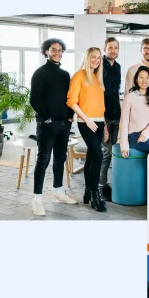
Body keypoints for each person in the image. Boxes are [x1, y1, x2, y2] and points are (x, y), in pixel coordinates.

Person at [29, 38, 77, 216]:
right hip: (46, 124)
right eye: (53, 50)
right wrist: (48, 119)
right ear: (46, 52)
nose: (57, 53)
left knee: (60, 159)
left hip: (64, 124)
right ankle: (37, 200)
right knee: (43, 160)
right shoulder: (40, 73)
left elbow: (68, 97)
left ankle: (58, 192)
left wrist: (70, 116)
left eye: (60, 50)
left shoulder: (65, 74)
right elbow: (34, 100)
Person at [67, 47, 107, 212]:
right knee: (98, 156)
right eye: (93, 57)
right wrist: (86, 119)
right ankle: (95, 195)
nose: (96, 60)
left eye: (98, 57)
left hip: (100, 122)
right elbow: (72, 102)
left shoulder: (98, 78)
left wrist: (103, 127)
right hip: (86, 123)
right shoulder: (79, 76)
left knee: (91, 157)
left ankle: (87, 192)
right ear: (87, 57)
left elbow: (99, 105)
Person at [119, 66, 149, 157]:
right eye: (141, 77)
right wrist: (124, 146)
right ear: (136, 80)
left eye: (147, 77)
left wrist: (145, 135)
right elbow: (124, 122)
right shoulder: (129, 97)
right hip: (133, 136)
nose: (144, 80)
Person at [99, 37, 120, 202]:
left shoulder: (118, 67)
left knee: (111, 152)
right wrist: (103, 121)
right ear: (105, 49)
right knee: (105, 153)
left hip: (116, 115)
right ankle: (101, 187)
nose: (113, 51)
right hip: (103, 116)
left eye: (116, 48)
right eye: (110, 48)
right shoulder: (99, 66)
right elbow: (99, 94)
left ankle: (106, 184)